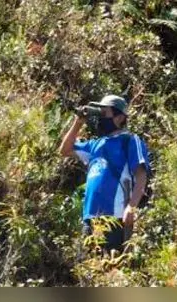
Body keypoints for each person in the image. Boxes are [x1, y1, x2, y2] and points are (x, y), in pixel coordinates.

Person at [58, 95, 151, 255]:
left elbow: (141, 175)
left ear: (120, 117)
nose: (101, 118)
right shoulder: (95, 144)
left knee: (110, 265)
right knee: (88, 269)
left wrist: (131, 207)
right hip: (90, 217)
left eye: (104, 113)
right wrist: (78, 122)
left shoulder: (129, 140)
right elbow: (64, 150)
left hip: (114, 217)